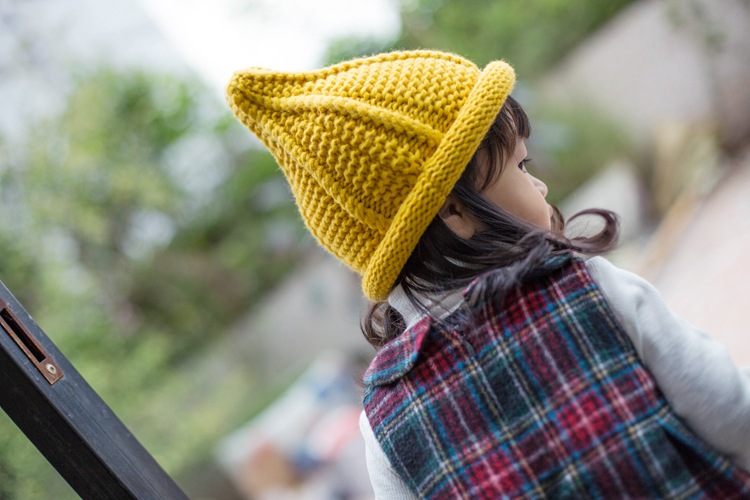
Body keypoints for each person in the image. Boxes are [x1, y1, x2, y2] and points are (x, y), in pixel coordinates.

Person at [226, 50, 750, 498]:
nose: (540, 185)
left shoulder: (385, 428)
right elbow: (730, 411)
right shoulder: (590, 290)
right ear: (454, 209)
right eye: (522, 168)